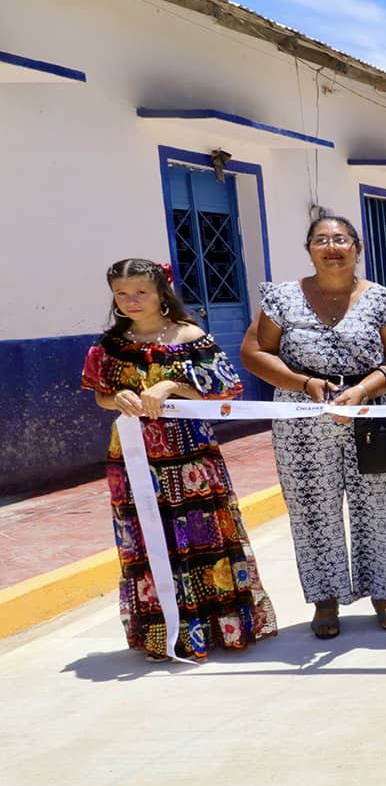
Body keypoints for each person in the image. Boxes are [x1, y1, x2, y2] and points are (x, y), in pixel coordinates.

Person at [84, 259, 278, 662]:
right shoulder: (109, 346)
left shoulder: (191, 337)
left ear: (161, 292)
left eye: (141, 291)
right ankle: (164, 633)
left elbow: (226, 388)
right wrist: (116, 398)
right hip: (133, 456)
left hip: (189, 454)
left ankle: (216, 626)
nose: (132, 301)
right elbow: (101, 394)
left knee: (202, 533)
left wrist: (175, 384)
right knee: (147, 534)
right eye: (122, 293)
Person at [240, 216, 386, 639]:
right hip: (302, 417)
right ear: (309, 248)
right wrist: (306, 384)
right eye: (322, 240)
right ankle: (325, 599)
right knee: (312, 506)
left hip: (371, 414)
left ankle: (384, 593)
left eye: (341, 239)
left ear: (357, 247)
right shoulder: (282, 298)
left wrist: (363, 391)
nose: (332, 247)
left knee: (379, 505)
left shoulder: (385, 300)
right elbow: (254, 352)